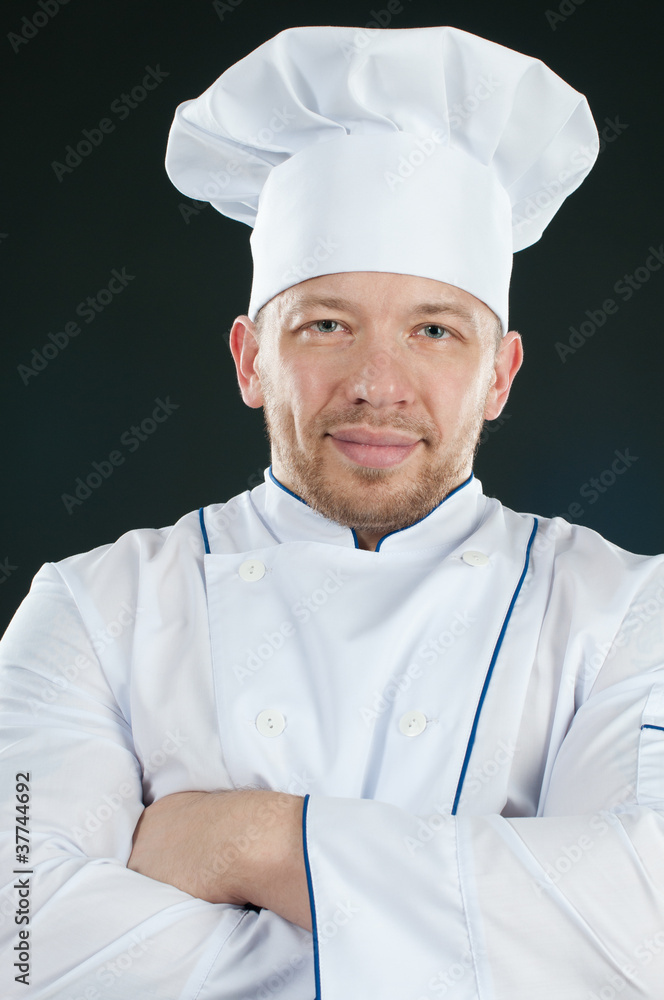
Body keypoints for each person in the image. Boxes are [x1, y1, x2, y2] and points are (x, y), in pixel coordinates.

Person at [2, 23, 664, 1000]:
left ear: (499, 375)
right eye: (324, 325)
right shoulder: (91, 609)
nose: (376, 384)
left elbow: (644, 932)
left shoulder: (625, 612)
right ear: (249, 360)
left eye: (434, 331)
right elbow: (20, 941)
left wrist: (253, 842)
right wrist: (492, 942)